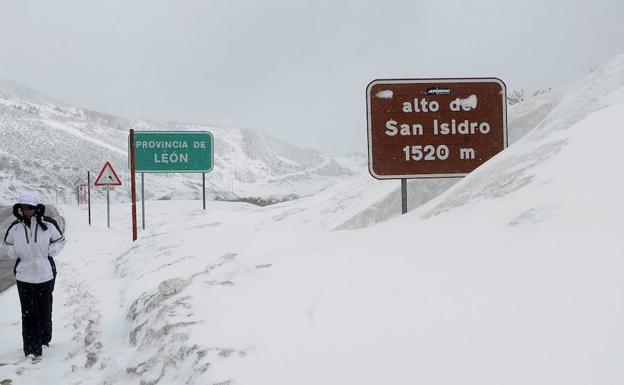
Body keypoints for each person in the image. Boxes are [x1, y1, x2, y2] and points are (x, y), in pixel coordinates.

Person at [2, 192, 65, 359]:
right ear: (19, 209)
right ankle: (31, 349)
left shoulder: (48, 224)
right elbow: (7, 246)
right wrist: (15, 252)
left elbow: (60, 240)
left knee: (44, 308)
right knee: (28, 312)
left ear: (37, 208)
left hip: (46, 273)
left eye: (30, 207)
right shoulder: (15, 227)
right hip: (24, 275)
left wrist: (50, 251)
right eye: (23, 207)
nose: (26, 210)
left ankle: (44, 339)